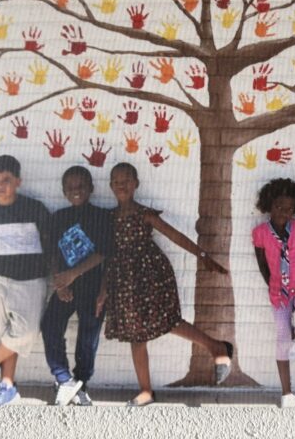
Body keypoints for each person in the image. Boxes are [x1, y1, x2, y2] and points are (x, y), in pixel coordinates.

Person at [98, 162, 233, 407]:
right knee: (135, 336)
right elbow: (108, 253)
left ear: (136, 184)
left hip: (151, 276)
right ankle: (146, 391)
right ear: (110, 186)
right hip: (124, 281)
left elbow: (175, 236)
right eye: (116, 181)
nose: (121, 185)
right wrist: (103, 291)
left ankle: (217, 348)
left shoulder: (145, 213)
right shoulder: (108, 218)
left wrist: (203, 257)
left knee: (169, 321)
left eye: (126, 180)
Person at [0, 155, 51, 406]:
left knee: (25, 332)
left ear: (18, 181)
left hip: (30, 281)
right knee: (6, 334)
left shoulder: (35, 208)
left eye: (6, 180)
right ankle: (7, 386)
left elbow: (49, 246)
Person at [41, 166, 114, 407]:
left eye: (81, 186)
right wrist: (59, 283)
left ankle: (82, 383)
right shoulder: (58, 217)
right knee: (50, 326)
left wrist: (74, 275)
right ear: (63, 191)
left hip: (93, 289)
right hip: (65, 288)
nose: (76, 191)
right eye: (70, 188)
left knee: (88, 337)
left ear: (91, 188)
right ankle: (64, 380)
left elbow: (103, 253)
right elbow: (51, 254)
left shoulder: (102, 216)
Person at [253, 178, 295, 408]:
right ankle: (287, 393)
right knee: (281, 339)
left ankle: (294, 337)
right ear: (269, 204)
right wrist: (272, 284)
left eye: (289, 208)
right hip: (279, 292)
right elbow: (262, 262)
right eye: (279, 206)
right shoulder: (260, 232)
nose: (284, 212)